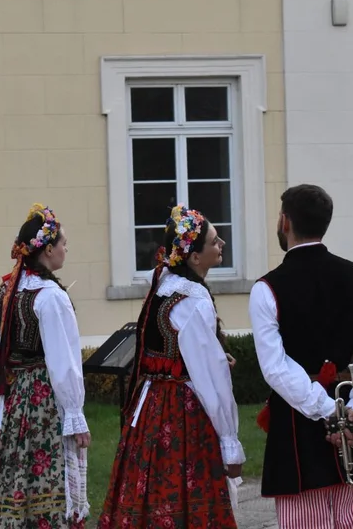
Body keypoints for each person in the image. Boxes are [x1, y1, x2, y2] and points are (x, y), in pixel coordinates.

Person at [249, 184, 353, 529]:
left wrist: (326, 409)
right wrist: (351, 407)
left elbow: (275, 367)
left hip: (299, 411)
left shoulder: (266, 288)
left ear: (285, 222)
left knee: (303, 519)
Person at [97, 205, 245, 529]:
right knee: (187, 491)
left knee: (148, 488)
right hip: (182, 413)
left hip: (150, 407)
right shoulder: (192, 300)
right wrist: (230, 444)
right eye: (214, 242)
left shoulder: (163, 288)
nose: (221, 246)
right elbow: (211, 378)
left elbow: (171, 353)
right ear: (194, 256)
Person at [0, 204, 90, 529]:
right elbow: (63, 360)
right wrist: (75, 415)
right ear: (46, 250)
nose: (66, 248)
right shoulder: (50, 296)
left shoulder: (9, 289)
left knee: (9, 462)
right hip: (41, 397)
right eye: (63, 243)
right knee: (42, 463)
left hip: (11, 394)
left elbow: (3, 343)